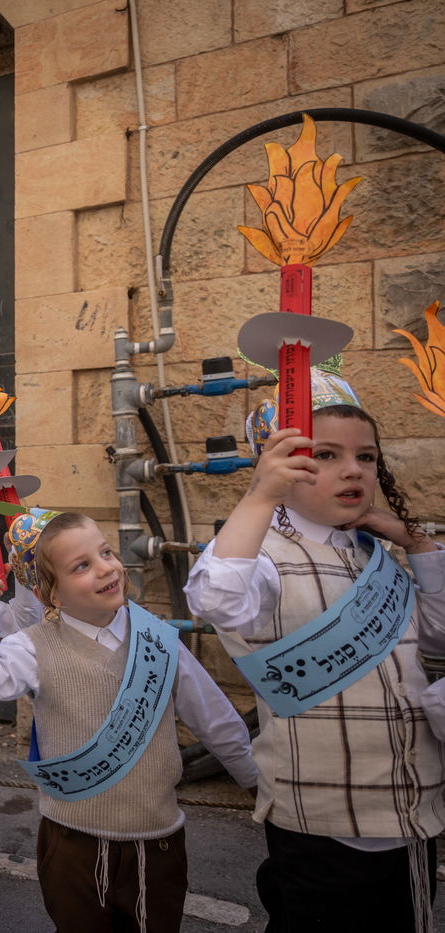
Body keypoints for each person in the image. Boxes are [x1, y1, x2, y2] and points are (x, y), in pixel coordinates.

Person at [186, 368, 445, 932]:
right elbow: (218, 599)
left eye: (366, 457)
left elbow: (439, 638)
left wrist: (417, 543)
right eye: (323, 455)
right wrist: (260, 496)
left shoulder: (379, 557)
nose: (352, 469)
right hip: (322, 829)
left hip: (413, 816)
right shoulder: (263, 556)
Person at [0, 508, 257, 932]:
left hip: (157, 841)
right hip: (70, 840)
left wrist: (255, 783)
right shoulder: (34, 646)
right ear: (53, 595)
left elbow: (214, 718)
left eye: (106, 553)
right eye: (82, 565)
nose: (105, 569)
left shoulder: (157, 639)